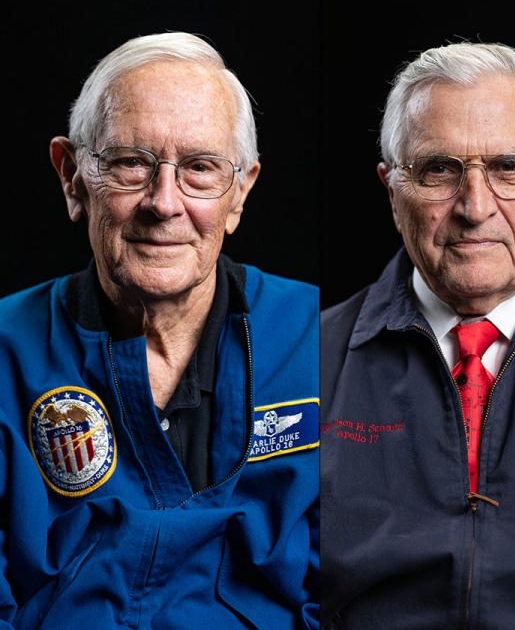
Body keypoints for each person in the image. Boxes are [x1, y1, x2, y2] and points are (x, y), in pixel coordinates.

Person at [0, 33, 319, 628]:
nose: (164, 203)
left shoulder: (324, 339)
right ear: (72, 177)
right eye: (130, 163)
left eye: (200, 168)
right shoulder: (6, 352)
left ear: (240, 192)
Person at [320, 42, 515, 627]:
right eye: (439, 170)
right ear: (392, 189)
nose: (475, 206)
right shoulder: (309, 359)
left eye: (508, 170)